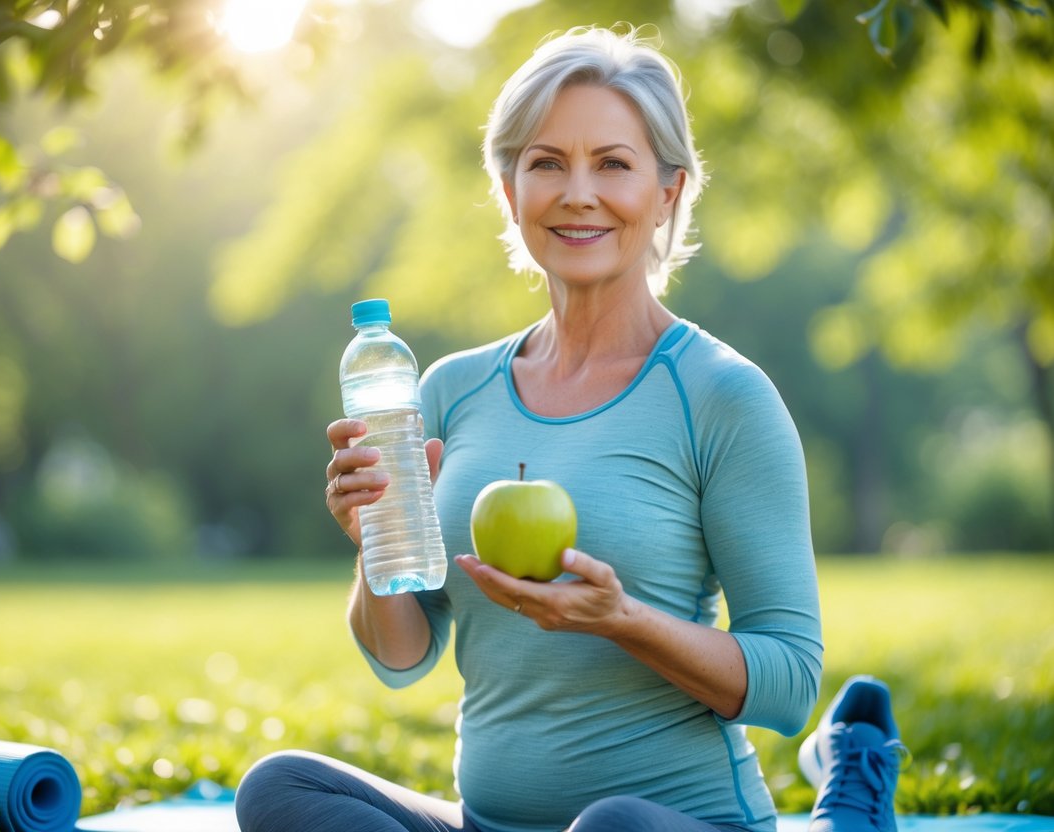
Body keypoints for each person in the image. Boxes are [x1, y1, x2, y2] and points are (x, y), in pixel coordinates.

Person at [237, 24, 824, 832]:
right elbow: (403, 659)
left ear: (667, 193)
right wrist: (377, 541)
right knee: (280, 790)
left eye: (612, 164)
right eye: (546, 164)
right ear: (510, 193)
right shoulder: (451, 388)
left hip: (662, 825)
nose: (577, 193)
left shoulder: (721, 395)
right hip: (487, 822)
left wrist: (620, 620)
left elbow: (790, 685)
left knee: (611, 829)